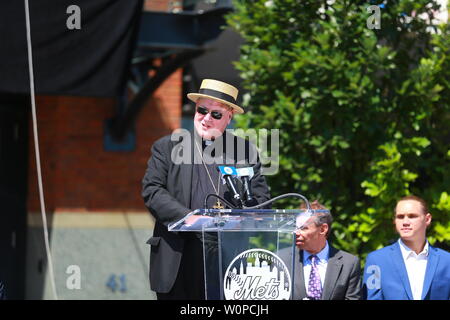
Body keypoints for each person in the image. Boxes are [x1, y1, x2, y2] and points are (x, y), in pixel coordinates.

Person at [142, 79, 270, 300]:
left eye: (216, 114)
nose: (206, 118)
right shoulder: (167, 146)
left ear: (229, 117)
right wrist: (187, 217)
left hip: (225, 257)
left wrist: (248, 213)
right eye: (202, 110)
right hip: (179, 255)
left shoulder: (244, 151)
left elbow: (260, 198)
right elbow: (152, 190)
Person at [363, 195, 450, 300]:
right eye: (400, 217)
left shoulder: (446, 261)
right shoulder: (377, 260)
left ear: (427, 219)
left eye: (412, 216)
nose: (405, 222)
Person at [282, 200, 362, 300]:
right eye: (295, 227)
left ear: (323, 229)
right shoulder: (282, 259)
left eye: (303, 228)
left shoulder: (349, 264)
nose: (296, 233)